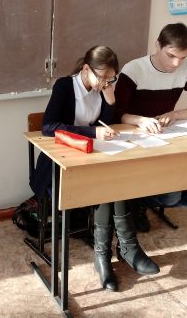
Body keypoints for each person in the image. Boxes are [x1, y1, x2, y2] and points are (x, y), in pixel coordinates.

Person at [30, 46, 159, 293]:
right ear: (86, 68)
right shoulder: (65, 86)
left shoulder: (103, 89)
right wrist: (91, 132)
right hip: (60, 166)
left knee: (114, 181)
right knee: (108, 186)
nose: (105, 83)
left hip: (92, 159)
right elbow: (49, 127)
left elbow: (106, 124)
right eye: (102, 78)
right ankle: (122, 249)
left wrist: (110, 102)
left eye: (111, 79)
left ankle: (111, 254)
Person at [115, 23, 187, 231]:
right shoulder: (134, 69)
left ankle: (142, 198)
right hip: (136, 139)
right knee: (171, 196)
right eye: (171, 55)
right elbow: (116, 113)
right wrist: (140, 120)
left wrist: (175, 114)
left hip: (164, 138)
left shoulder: (186, 68)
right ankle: (135, 203)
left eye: (183, 57)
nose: (176, 63)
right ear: (157, 45)